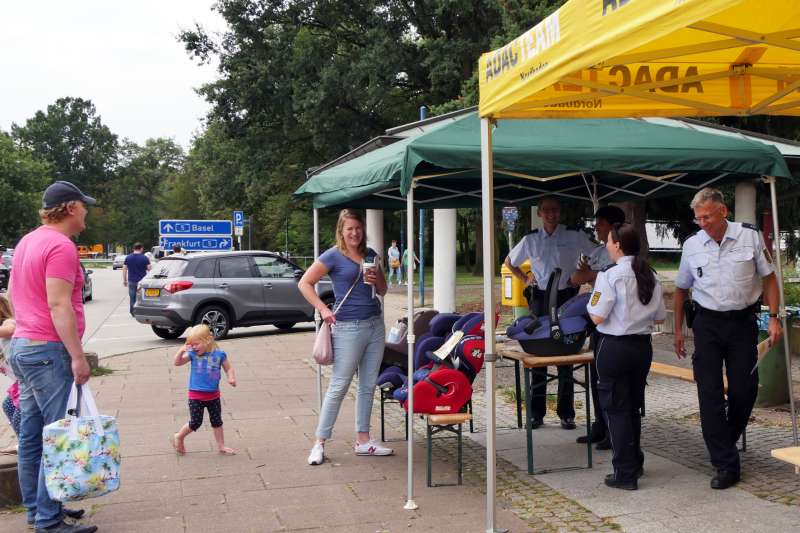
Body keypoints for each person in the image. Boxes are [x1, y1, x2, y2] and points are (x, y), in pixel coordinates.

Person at [673, 187, 781, 490]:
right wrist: (680, 331)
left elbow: (769, 278)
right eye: (698, 218)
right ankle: (725, 464)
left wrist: (774, 317)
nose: (703, 223)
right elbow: (681, 290)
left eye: (707, 216)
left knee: (744, 391)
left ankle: (722, 441)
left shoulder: (749, 236)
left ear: (724, 211)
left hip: (742, 323)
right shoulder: (692, 245)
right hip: (706, 324)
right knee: (709, 393)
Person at [8, 180, 96, 533]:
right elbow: (59, 303)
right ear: (71, 208)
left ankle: (39, 509)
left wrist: (26, 325)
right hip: (47, 351)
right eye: (84, 206)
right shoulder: (61, 246)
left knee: (30, 437)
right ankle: (48, 520)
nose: (87, 212)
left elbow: (13, 293)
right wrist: (77, 356)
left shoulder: (28, 241)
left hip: (23, 346)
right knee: (55, 435)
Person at [298, 209, 391, 465]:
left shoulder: (370, 254)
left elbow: (383, 289)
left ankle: (363, 440)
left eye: (358, 228)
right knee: (339, 386)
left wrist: (376, 276)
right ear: (341, 230)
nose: (354, 233)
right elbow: (305, 283)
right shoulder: (333, 255)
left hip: (375, 324)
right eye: (349, 228)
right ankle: (319, 443)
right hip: (348, 327)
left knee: (368, 385)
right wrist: (324, 309)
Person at [504, 196, 597, 430]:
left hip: (567, 297)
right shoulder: (531, 239)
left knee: (565, 354)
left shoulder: (573, 235)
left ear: (560, 211)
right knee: (539, 356)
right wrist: (525, 279)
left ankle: (567, 413)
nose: (550, 214)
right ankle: (536, 413)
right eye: (546, 210)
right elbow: (509, 261)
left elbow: (598, 254)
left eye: (554, 209)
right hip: (541, 299)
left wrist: (585, 272)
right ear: (539, 213)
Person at [587, 223, 666, 490]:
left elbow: (597, 315)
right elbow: (659, 317)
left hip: (614, 346)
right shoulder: (650, 274)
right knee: (632, 407)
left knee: (616, 409)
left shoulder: (609, 275)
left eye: (608, 241)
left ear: (617, 244)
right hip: (642, 347)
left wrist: (588, 304)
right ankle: (635, 463)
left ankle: (624, 473)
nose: (606, 245)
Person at [570, 205, 626, 449]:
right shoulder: (598, 251)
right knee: (597, 378)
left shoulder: (624, 255)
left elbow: (589, 277)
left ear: (613, 227)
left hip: (618, 326)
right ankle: (601, 425)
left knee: (611, 383)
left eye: (600, 224)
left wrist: (589, 274)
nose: (596, 229)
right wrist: (587, 273)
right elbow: (576, 278)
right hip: (599, 320)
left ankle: (613, 432)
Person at [171, 325, 237, 456]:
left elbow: (229, 368)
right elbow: (177, 363)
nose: (194, 347)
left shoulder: (219, 354)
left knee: (217, 421)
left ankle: (221, 446)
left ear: (208, 340)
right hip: (196, 396)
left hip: (213, 396)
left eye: (196, 344)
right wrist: (181, 350)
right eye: (191, 344)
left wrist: (231, 378)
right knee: (195, 422)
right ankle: (179, 436)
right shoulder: (192, 355)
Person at [0, 294, 20, 454]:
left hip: (27, 380)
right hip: (19, 381)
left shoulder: (9, 322)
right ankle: (25, 442)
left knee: (20, 416)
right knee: (7, 405)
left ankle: (28, 447)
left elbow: (12, 329)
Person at [123, 242, 151, 316]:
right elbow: (150, 270)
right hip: (142, 282)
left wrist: (124, 280)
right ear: (141, 248)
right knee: (142, 297)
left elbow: (124, 269)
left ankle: (133, 312)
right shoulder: (145, 258)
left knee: (132, 297)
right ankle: (141, 312)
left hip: (131, 280)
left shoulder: (128, 257)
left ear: (133, 248)